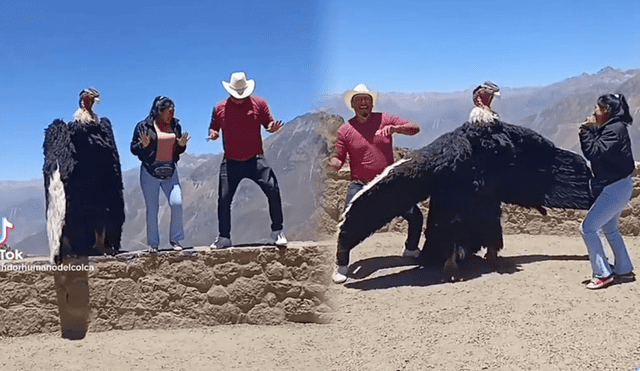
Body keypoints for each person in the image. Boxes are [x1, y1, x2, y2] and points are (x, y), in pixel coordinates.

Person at [329, 83, 422, 283]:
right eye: (359, 100)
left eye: (367, 100)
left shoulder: (385, 119)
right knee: (347, 221)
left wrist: (395, 128)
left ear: (372, 103)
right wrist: (332, 165)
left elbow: (415, 128)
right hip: (360, 184)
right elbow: (339, 157)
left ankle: (411, 249)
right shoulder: (345, 131)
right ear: (352, 105)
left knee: (415, 215)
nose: (364, 103)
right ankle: (342, 265)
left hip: (387, 182)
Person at [208, 71, 287, 248]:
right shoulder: (219, 108)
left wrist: (271, 128)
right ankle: (224, 237)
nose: (239, 99)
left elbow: (268, 123)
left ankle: (277, 231)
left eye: (242, 95)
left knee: (273, 190)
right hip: (231, 161)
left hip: (255, 158)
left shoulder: (259, 104)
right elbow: (214, 127)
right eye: (236, 95)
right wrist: (213, 134)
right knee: (224, 199)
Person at [579, 93, 636, 289]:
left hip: (615, 188)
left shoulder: (614, 130)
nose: (594, 110)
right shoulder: (614, 128)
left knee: (587, 228)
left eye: (598, 107)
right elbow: (602, 151)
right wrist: (593, 128)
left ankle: (602, 274)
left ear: (606, 111)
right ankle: (624, 269)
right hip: (621, 185)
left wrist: (586, 131)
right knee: (610, 228)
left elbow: (595, 153)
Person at [131, 96, 189, 252]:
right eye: (168, 112)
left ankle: (175, 240)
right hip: (150, 172)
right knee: (153, 208)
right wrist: (144, 145)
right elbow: (134, 149)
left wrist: (181, 146)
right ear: (159, 111)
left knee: (176, 203)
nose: (171, 115)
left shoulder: (175, 126)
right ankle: (154, 243)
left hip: (170, 170)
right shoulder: (144, 126)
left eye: (173, 111)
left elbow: (176, 150)